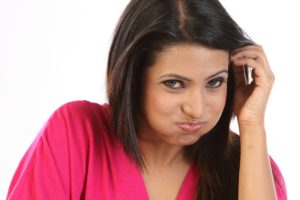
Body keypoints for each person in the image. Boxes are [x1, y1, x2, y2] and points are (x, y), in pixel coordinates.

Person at [7, 0, 287, 199]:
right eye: (174, 84)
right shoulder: (75, 135)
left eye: (214, 82)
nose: (196, 108)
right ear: (133, 78)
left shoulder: (252, 167)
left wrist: (252, 125)